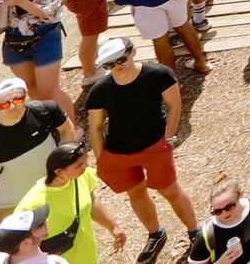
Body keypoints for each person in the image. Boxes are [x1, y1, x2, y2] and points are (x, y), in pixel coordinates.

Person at [82, 35, 197, 263]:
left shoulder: (159, 74)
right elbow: (94, 128)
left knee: (170, 190)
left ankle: (196, 233)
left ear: (133, 52)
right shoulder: (100, 89)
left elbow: (175, 105)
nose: (117, 66)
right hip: (118, 152)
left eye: (120, 59)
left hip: (155, 145)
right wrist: (101, 157)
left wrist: (170, 138)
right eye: (109, 64)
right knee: (136, 193)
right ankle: (155, 234)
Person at [0, 78, 71, 226]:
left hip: (52, 190)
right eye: (4, 104)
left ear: (26, 95)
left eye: (18, 99)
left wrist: (66, 164)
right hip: (12, 206)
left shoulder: (46, 112)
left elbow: (67, 128)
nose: (12, 106)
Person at [15, 139, 125, 264]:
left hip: (86, 256)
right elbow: (18, 246)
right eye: (79, 165)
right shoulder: (31, 204)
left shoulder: (81, 177)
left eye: (85, 162)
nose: (86, 167)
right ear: (59, 172)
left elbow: (91, 202)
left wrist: (113, 228)